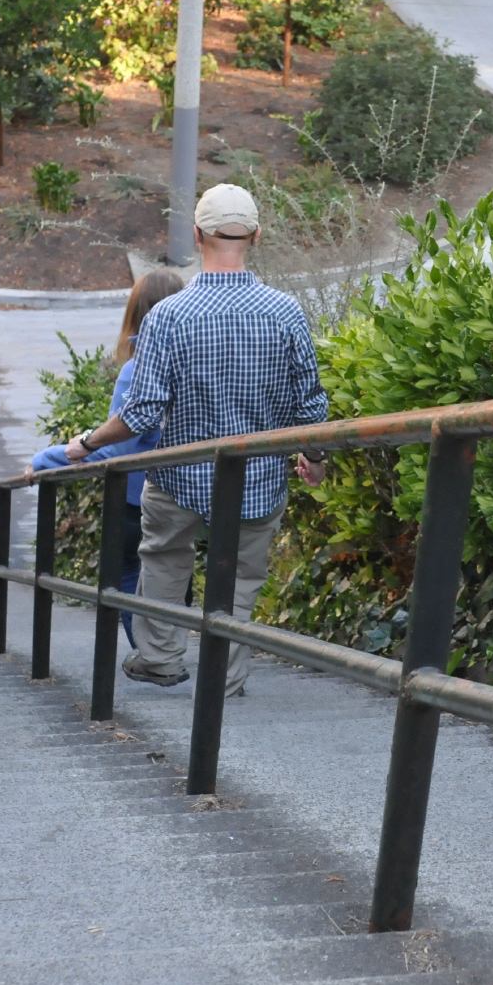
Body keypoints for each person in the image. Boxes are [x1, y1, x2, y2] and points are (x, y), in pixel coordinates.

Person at [66, 183, 327, 697]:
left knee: (163, 558)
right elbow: (311, 405)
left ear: (196, 234)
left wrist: (88, 443)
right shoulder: (286, 312)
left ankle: (161, 658)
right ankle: (224, 682)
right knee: (241, 578)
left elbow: (139, 413)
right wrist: (313, 459)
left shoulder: (168, 316)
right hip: (258, 475)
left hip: (181, 474)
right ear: (255, 235)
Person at [28, 268, 187, 647]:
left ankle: (154, 652)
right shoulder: (195, 362)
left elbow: (119, 443)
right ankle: (172, 647)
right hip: (188, 488)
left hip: (138, 496)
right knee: (174, 571)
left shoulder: (137, 369)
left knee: (125, 572)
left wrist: (46, 460)